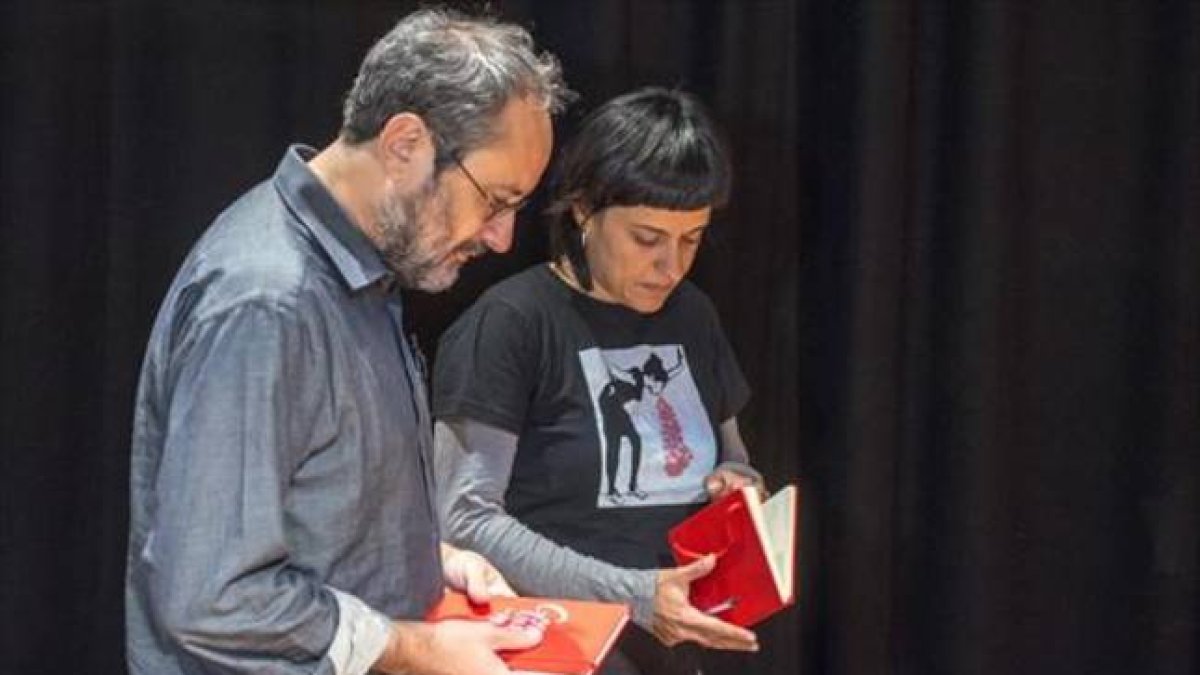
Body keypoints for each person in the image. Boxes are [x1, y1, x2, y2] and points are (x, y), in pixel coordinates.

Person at [125, 8, 570, 675]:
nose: (502, 237)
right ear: (404, 145)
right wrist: (414, 646)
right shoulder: (268, 302)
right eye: (494, 199)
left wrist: (431, 558)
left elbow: (317, 506)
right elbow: (211, 597)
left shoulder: (364, 271)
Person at [433, 87, 764, 675]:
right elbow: (464, 519)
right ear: (583, 209)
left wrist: (738, 488)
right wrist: (633, 593)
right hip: (568, 645)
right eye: (647, 238)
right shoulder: (512, 323)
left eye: (691, 239)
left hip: (689, 642)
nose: (672, 266)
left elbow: (734, 457)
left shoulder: (693, 312)